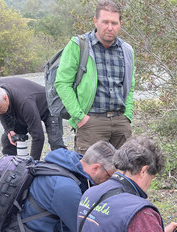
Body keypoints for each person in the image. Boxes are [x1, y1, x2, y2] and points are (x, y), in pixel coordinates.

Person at [55, 0, 135, 154]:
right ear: (95, 21)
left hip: (120, 122)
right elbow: (62, 83)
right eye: (105, 22)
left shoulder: (126, 50)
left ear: (120, 24)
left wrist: (127, 116)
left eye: (114, 22)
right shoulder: (79, 45)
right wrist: (80, 118)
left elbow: (129, 85)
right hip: (91, 122)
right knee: (90, 176)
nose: (110, 27)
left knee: (122, 173)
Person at [0, 77, 67, 160]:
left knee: (55, 143)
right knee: (8, 139)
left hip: (48, 108)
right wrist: (9, 130)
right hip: (24, 108)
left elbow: (38, 137)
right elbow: (2, 112)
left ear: (5, 98)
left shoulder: (25, 102)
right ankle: (11, 167)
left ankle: (65, 169)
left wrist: (31, 165)